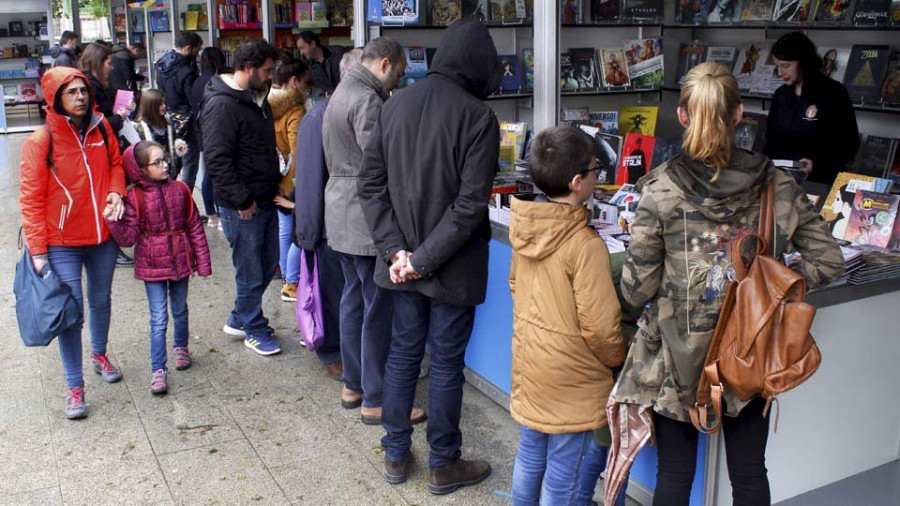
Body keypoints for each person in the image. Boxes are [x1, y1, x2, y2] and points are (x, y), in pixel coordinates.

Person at [612, 62, 845, 505]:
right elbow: (828, 261)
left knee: (675, 477)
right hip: (751, 351)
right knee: (750, 473)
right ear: (740, 114)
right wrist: (775, 291)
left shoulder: (659, 191)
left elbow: (637, 289)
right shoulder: (776, 183)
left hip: (675, 359)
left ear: (683, 116)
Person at [358, 17, 502, 493]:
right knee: (444, 363)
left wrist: (397, 252)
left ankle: (396, 454)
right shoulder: (478, 117)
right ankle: (444, 462)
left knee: (403, 354)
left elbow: (370, 186)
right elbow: (468, 206)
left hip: (401, 263)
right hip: (449, 265)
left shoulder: (395, 103)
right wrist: (419, 258)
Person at [507, 126, 628, 506]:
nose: (598, 176)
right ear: (578, 182)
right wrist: (617, 360)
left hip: (531, 364)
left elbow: (515, 285)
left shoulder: (526, 229)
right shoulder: (585, 244)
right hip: (574, 379)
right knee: (564, 479)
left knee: (529, 457)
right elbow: (601, 326)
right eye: (595, 170)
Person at [322, 37, 422, 426]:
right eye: (397, 74)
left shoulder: (342, 90)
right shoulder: (367, 99)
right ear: (384, 64)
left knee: (353, 300)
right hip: (363, 216)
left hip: (341, 210)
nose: (396, 83)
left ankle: (354, 384)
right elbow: (379, 163)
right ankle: (376, 398)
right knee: (376, 308)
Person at [19, 66, 127, 419]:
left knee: (100, 300)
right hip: (62, 241)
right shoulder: (41, 140)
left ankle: (99, 354)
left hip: (103, 236)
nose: (80, 97)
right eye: (72, 92)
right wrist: (37, 251)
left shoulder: (101, 126)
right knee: (70, 314)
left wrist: (115, 191)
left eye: (83, 91)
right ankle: (74, 387)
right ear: (56, 98)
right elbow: (31, 198)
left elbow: (115, 164)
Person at [105, 141, 212, 395]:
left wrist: (203, 262)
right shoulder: (135, 197)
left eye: (164, 159)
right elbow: (129, 237)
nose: (164, 165)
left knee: (180, 309)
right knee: (159, 317)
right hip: (152, 264)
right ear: (141, 169)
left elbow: (194, 226)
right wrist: (113, 222)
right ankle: (158, 369)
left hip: (180, 260)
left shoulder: (181, 190)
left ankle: (181, 347)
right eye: (157, 162)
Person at [200, 39, 283, 356]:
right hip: (243, 205)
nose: (270, 75)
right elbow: (218, 160)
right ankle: (253, 326)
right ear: (248, 68)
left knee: (266, 264)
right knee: (249, 271)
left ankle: (239, 318)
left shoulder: (256, 98)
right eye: (266, 70)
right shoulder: (222, 105)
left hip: (263, 197)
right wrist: (241, 200)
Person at [294, 49, 362, 382]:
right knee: (334, 296)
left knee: (347, 295)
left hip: (347, 223)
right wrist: (308, 234)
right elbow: (308, 177)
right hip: (326, 227)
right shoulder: (319, 117)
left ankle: (346, 353)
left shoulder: (345, 113)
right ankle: (332, 352)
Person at [765, 31, 860, 186]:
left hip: (822, 182)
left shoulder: (833, 92)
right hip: (782, 182)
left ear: (803, 62)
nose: (780, 72)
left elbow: (849, 145)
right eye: (778, 66)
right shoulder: (780, 95)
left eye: (786, 66)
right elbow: (771, 142)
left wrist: (817, 165)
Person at [268, 58, 310, 303]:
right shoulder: (295, 110)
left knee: (284, 231)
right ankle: (292, 282)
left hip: (276, 175)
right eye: (305, 81)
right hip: (292, 181)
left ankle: (286, 276)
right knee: (295, 233)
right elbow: (300, 150)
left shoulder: (268, 106)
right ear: (294, 81)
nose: (307, 86)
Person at [189, 47, 229, 228]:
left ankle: (211, 214)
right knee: (218, 175)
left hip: (201, 133)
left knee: (207, 175)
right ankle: (220, 213)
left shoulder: (197, 82)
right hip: (217, 133)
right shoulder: (218, 81)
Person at [156, 32, 202, 186]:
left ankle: (168, 191)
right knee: (189, 161)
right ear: (188, 48)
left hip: (169, 115)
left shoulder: (161, 64)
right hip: (186, 119)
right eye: (197, 50)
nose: (198, 54)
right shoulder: (187, 70)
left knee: (174, 158)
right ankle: (185, 197)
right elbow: (192, 97)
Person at [132, 89, 188, 174]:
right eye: (160, 104)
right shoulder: (140, 128)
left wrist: (179, 146)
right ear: (152, 107)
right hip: (151, 176)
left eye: (164, 103)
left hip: (169, 171)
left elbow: (174, 140)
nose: (164, 106)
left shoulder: (167, 121)